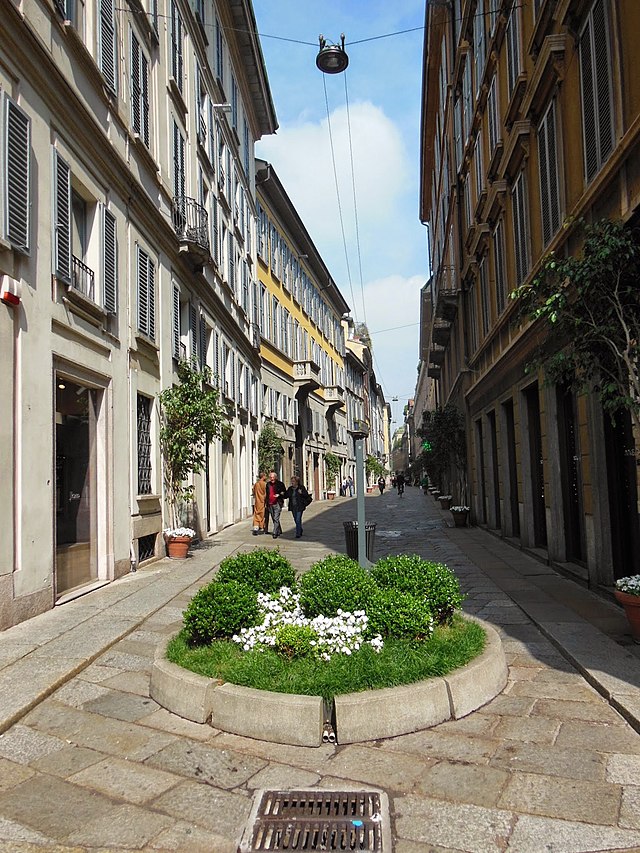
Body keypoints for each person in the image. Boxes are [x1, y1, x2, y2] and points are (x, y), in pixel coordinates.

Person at [265, 470, 286, 538]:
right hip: (270, 504)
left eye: (273, 477)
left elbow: (284, 492)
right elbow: (267, 494)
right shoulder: (268, 484)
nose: (272, 479)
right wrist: (266, 502)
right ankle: (279, 530)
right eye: (270, 477)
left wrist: (279, 495)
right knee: (274, 518)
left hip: (277, 503)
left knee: (276, 518)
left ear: (276, 477)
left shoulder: (280, 484)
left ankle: (275, 533)